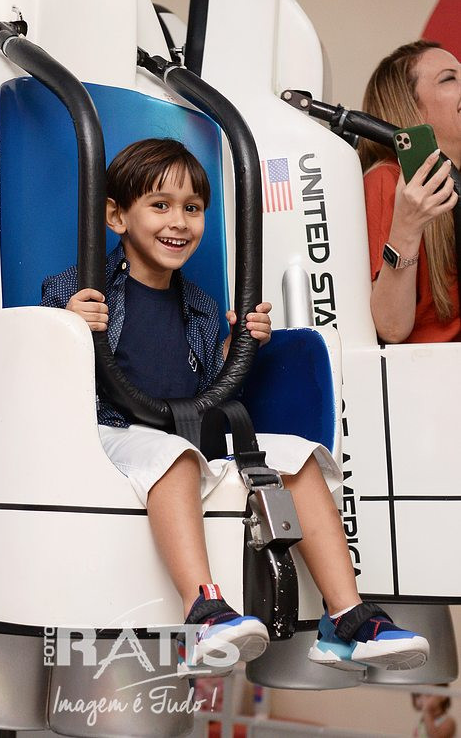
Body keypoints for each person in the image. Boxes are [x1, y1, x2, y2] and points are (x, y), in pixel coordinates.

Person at [42, 137, 429, 674]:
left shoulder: (201, 307)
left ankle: (345, 618)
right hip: (115, 434)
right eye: (160, 205)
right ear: (116, 217)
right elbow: (42, 374)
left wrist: (238, 348)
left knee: (297, 456)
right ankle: (203, 609)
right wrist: (64, 327)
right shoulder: (78, 289)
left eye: (192, 208)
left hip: (187, 432)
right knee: (174, 456)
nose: (179, 222)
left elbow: (208, 385)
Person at [359, 40, 460, 343]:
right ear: (411, 108)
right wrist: (407, 226)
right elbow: (391, 328)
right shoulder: (386, 180)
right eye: (449, 78)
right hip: (429, 367)